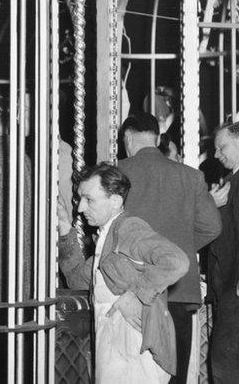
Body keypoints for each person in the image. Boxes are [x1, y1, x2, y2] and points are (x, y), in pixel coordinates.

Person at [58, 162, 189, 383]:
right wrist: (64, 230)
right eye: (80, 199)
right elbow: (75, 279)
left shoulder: (129, 228)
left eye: (89, 199)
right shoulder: (108, 237)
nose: (80, 208)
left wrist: (137, 295)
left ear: (115, 201)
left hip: (132, 345)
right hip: (114, 341)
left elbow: (176, 261)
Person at [117, 112, 221, 382]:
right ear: (158, 138)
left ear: (127, 137)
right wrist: (176, 250)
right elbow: (212, 227)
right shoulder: (191, 176)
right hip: (178, 291)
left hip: (131, 290)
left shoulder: (117, 172)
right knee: (173, 375)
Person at [208, 121, 239, 382]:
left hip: (234, 287)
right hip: (227, 286)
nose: (217, 154)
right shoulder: (230, 181)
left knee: (225, 365)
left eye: (222, 147)